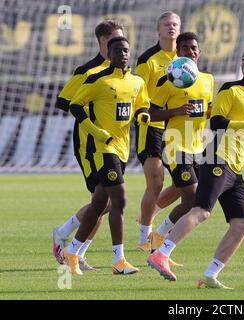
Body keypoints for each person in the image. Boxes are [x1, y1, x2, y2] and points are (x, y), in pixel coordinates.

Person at [147, 38, 244, 289]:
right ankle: (161, 252)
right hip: (217, 158)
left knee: (241, 224)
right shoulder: (230, 90)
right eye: (243, 58)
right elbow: (216, 123)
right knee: (202, 210)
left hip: (236, 169)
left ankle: (210, 274)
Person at [62, 36, 151, 275]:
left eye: (126, 50)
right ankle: (119, 261)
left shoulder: (136, 81)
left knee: (100, 204)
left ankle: (72, 251)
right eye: (117, 50)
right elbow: (75, 105)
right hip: (104, 149)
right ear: (108, 54)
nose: (122, 54)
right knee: (120, 201)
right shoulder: (97, 79)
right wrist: (97, 132)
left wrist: (143, 115)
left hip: (123, 148)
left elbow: (143, 104)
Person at [52, 20, 124, 271]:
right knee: (106, 201)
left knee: (105, 202)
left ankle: (75, 248)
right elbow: (64, 101)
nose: (121, 46)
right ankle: (66, 236)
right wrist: (91, 104)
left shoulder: (121, 70)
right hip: (89, 144)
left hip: (115, 144)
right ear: (103, 41)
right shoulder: (87, 70)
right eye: (115, 39)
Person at [149, 32, 214, 254]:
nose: (190, 51)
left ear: (199, 52)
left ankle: (158, 236)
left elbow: (207, 111)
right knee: (194, 199)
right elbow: (150, 112)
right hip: (175, 146)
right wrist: (175, 111)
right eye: (185, 48)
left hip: (197, 146)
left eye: (193, 48)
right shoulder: (170, 80)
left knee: (191, 202)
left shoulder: (208, 79)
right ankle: (160, 240)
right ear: (178, 52)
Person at [134, 11, 182, 253]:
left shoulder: (184, 59)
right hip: (151, 125)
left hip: (177, 127)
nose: (171, 28)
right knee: (156, 181)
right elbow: (137, 94)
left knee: (185, 185)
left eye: (175, 24)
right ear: (158, 29)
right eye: (167, 24)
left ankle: (147, 216)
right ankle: (145, 237)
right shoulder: (148, 60)